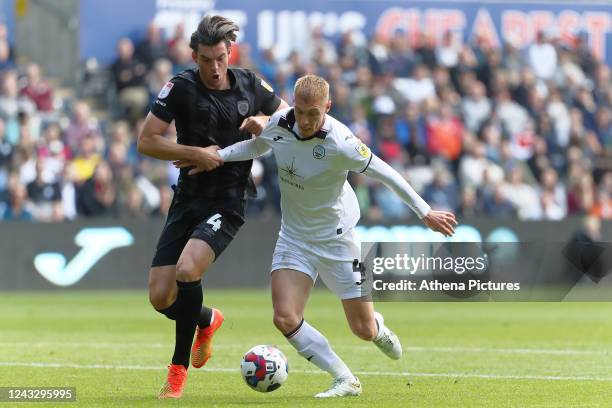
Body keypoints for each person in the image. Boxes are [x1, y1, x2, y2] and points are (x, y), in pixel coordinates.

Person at [177, 75, 456, 397]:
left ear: (328, 107)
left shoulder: (342, 143)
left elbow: (387, 174)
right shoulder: (281, 122)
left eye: (314, 113)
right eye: (301, 111)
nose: (306, 120)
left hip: (338, 239)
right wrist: (218, 157)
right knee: (285, 317)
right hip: (294, 237)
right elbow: (258, 145)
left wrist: (425, 212)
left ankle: (378, 328)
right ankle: (345, 378)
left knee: (362, 329)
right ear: (293, 104)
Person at [136, 15, 288, 399]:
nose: (215, 68)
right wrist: (193, 154)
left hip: (229, 199)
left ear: (230, 53)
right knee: (160, 297)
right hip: (187, 198)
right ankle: (206, 318)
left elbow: (287, 119)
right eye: (207, 60)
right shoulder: (181, 88)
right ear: (194, 56)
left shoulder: (251, 84)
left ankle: (176, 372)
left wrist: (264, 120)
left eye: (221, 58)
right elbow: (147, 141)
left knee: (188, 270)